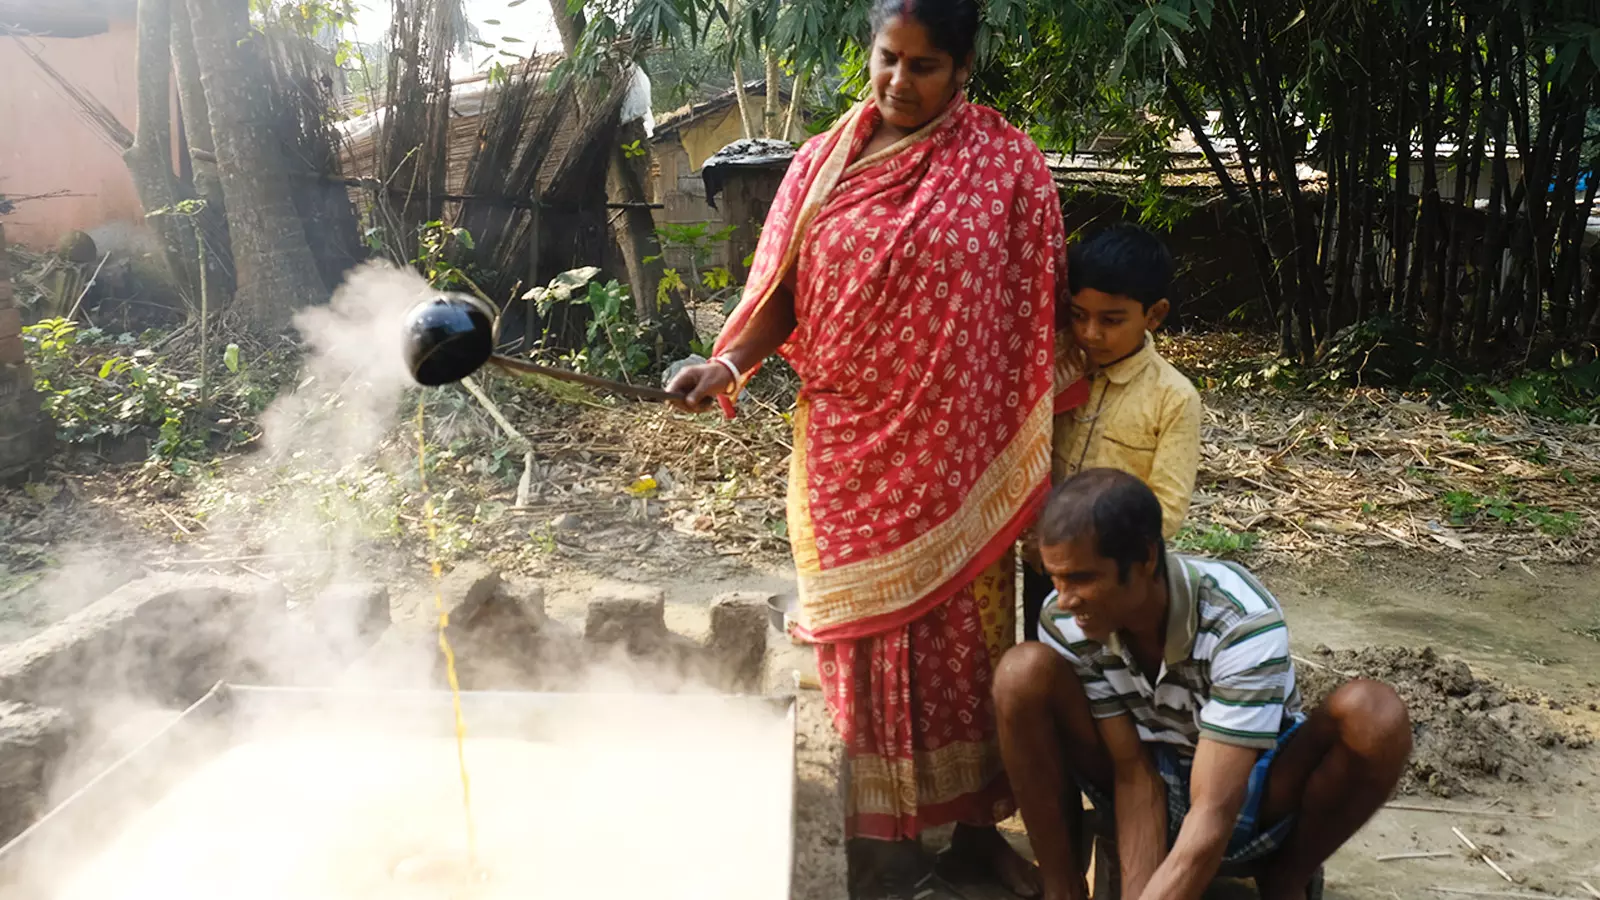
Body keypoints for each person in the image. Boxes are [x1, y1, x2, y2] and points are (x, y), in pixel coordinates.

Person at [666, 2, 1070, 895]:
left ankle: (968, 835)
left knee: (962, 646)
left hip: (959, 455)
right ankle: (880, 848)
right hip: (849, 447)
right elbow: (783, 292)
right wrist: (727, 364)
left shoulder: (1008, 168)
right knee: (860, 645)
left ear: (963, 70)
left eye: (924, 66)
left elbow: (1029, 317)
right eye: (888, 59)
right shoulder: (822, 160)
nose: (899, 81)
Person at [994, 469, 1412, 900]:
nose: (1064, 599)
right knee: (1020, 673)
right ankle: (1062, 891)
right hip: (1141, 770)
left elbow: (1215, 808)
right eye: (1056, 578)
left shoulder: (1240, 621)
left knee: (1374, 715)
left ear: (1145, 560)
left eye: (1082, 579)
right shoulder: (1066, 619)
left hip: (1249, 781)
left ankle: (1285, 879)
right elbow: (1134, 772)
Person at [1021, 224, 1203, 643]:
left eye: (1111, 320)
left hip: (1114, 577)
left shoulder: (1173, 398)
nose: (1090, 334)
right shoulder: (1056, 374)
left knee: (1110, 676)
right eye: (1079, 316)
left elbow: (1167, 508)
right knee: (1044, 663)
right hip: (1043, 565)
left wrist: (1094, 553)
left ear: (1154, 315)